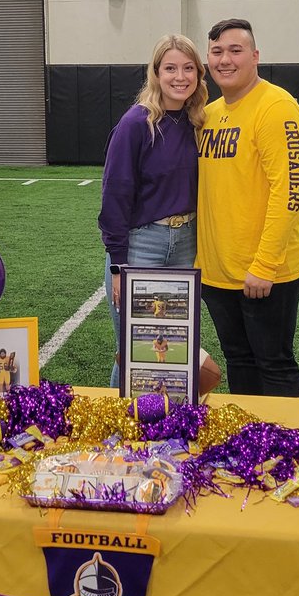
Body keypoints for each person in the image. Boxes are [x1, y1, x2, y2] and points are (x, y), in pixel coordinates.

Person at [196, 18, 299, 396]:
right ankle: (248, 446)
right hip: (217, 273)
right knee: (237, 360)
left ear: (255, 56)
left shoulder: (277, 107)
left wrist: (264, 265)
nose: (225, 59)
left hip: (266, 273)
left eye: (235, 50)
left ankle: (289, 449)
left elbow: (289, 193)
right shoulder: (208, 115)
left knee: (274, 364)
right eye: (216, 52)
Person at [99, 33, 207, 387]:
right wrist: (118, 265)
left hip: (186, 243)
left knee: (170, 345)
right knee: (132, 345)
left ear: (198, 73)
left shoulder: (199, 123)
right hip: (141, 245)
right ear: (156, 73)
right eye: (170, 68)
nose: (180, 77)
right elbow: (115, 195)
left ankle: (163, 419)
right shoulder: (136, 123)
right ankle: (116, 427)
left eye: (188, 68)